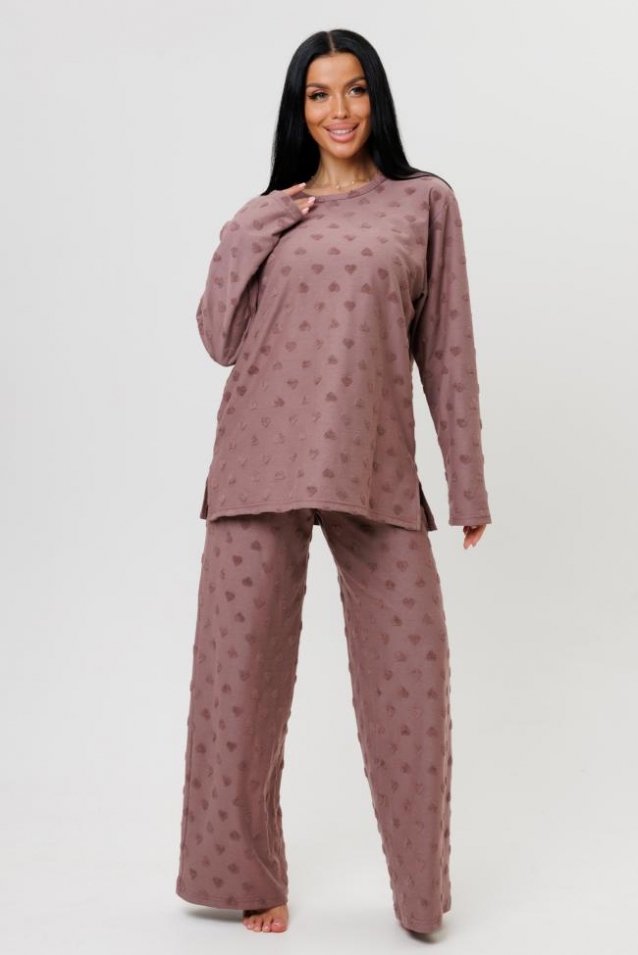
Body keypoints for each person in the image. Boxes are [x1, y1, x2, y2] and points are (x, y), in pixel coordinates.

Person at [175, 28, 492, 936]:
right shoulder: (271, 213)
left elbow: (448, 348)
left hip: (373, 463)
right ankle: (245, 875)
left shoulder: (423, 202)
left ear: (376, 98)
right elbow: (218, 337)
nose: (339, 110)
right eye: (319, 94)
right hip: (257, 461)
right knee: (237, 681)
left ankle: (419, 896)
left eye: (354, 90)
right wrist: (253, 223)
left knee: (412, 674)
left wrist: (466, 484)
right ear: (299, 109)